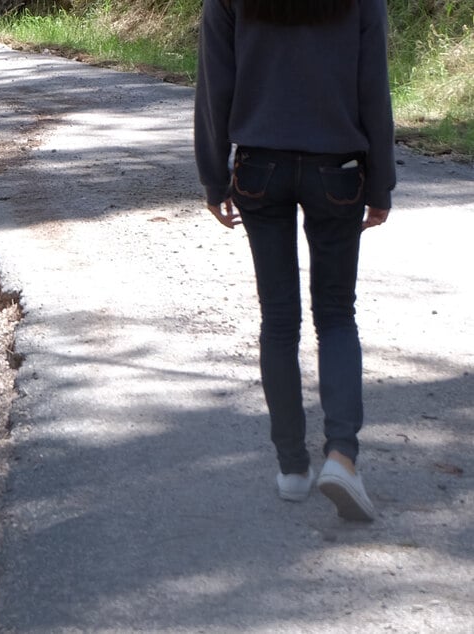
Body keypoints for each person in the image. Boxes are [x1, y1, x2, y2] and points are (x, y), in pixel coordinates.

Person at [193, 0, 396, 521]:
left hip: (260, 167)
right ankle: (342, 458)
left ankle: (291, 468)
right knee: (336, 315)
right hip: (339, 171)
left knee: (278, 319)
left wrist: (214, 176)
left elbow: (216, 86)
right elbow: (373, 87)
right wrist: (381, 182)